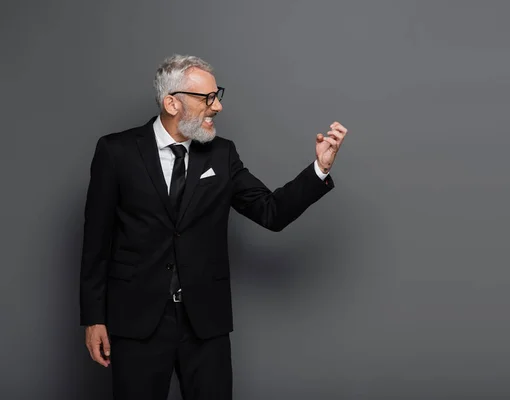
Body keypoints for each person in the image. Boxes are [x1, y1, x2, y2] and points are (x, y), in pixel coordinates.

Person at [79, 54, 347, 400]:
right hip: (137, 321)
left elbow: (272, 212)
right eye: (207, 98)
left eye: (217, 95)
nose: (217, 106)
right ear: (172, 103)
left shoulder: (221, 154)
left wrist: (319, 170)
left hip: (205, 323)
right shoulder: (116, 152)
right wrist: (93, 318)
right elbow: (95, 242)